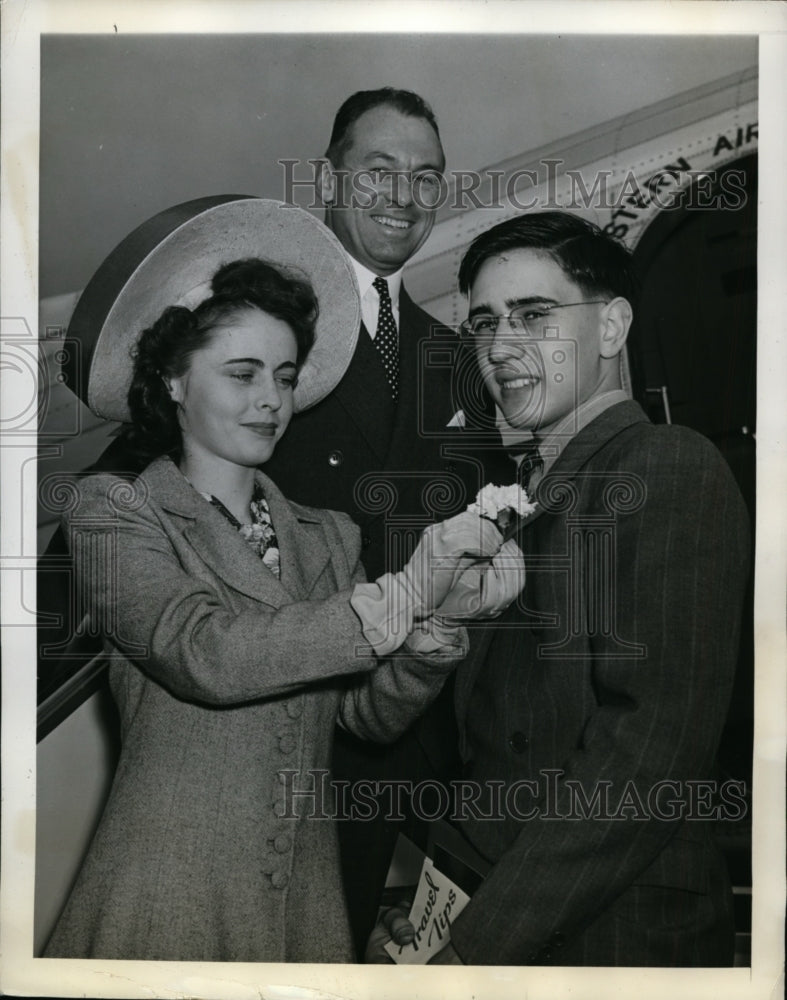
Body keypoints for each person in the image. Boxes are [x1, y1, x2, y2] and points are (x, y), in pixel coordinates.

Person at [42, 201, 524, 962]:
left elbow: (364, 719)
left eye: (286, 375)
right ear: (172, 379)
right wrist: (402, 590)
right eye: (242, 373)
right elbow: (204, 652)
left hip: (303, 905)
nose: (271, 399)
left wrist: (433, 622)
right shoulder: (116, 512)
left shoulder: (325, 533)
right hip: (167, 893)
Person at [370, 211, 750, 966]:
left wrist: (473, 950)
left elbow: (643, 759)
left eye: (533, 316)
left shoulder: (663, 464)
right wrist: (424, 907)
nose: (500, 347)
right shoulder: (518, 494)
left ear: (611, 328)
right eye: (483, 324)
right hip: (500, 907)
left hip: (609, 942)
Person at [264, 87, 507, 954]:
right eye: (378, 172)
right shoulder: (264, 336)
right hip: (306, 733)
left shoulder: (454, 357)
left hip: (431, 737)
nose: (404, 197)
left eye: (425, 177)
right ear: (329, 182)